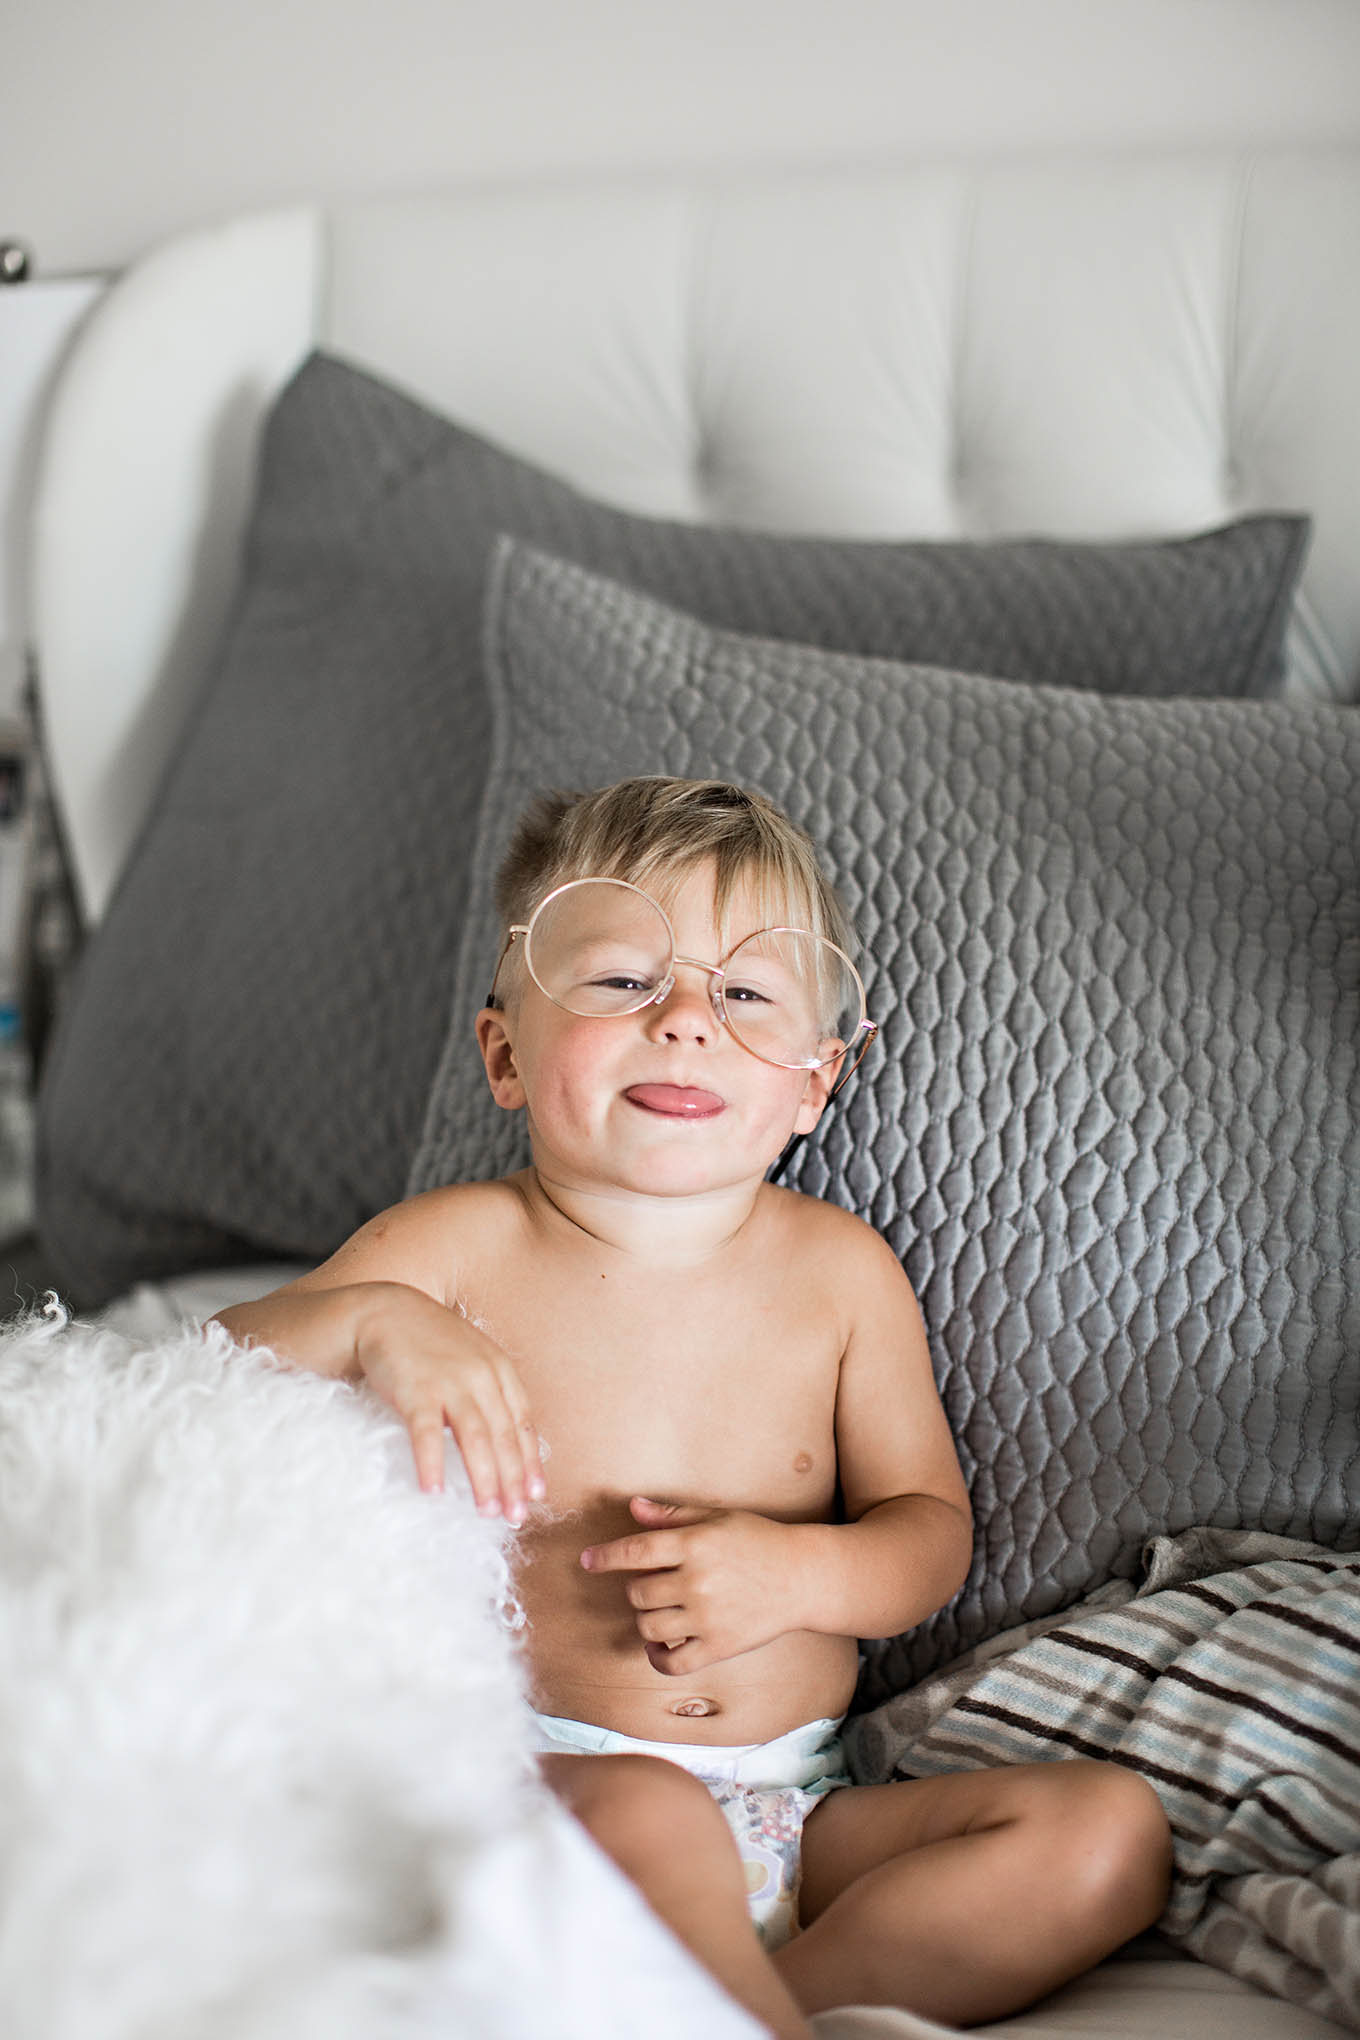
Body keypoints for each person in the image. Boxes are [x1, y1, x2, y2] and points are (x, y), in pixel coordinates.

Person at [215, 776, 1171, 2037]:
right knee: (652, 1812)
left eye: (746, 996)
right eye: (620, 982)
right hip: (546, 1792)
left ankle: (744, 2009)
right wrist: (372, 1321)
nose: (683, 1021)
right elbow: (205, 1371)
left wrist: (799, 1577)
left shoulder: (840, 1276)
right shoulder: (451, 1248)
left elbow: (927, 1530)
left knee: (1108, 1833)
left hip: (798, 1813)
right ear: (506, 1051)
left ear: (813, 1087)